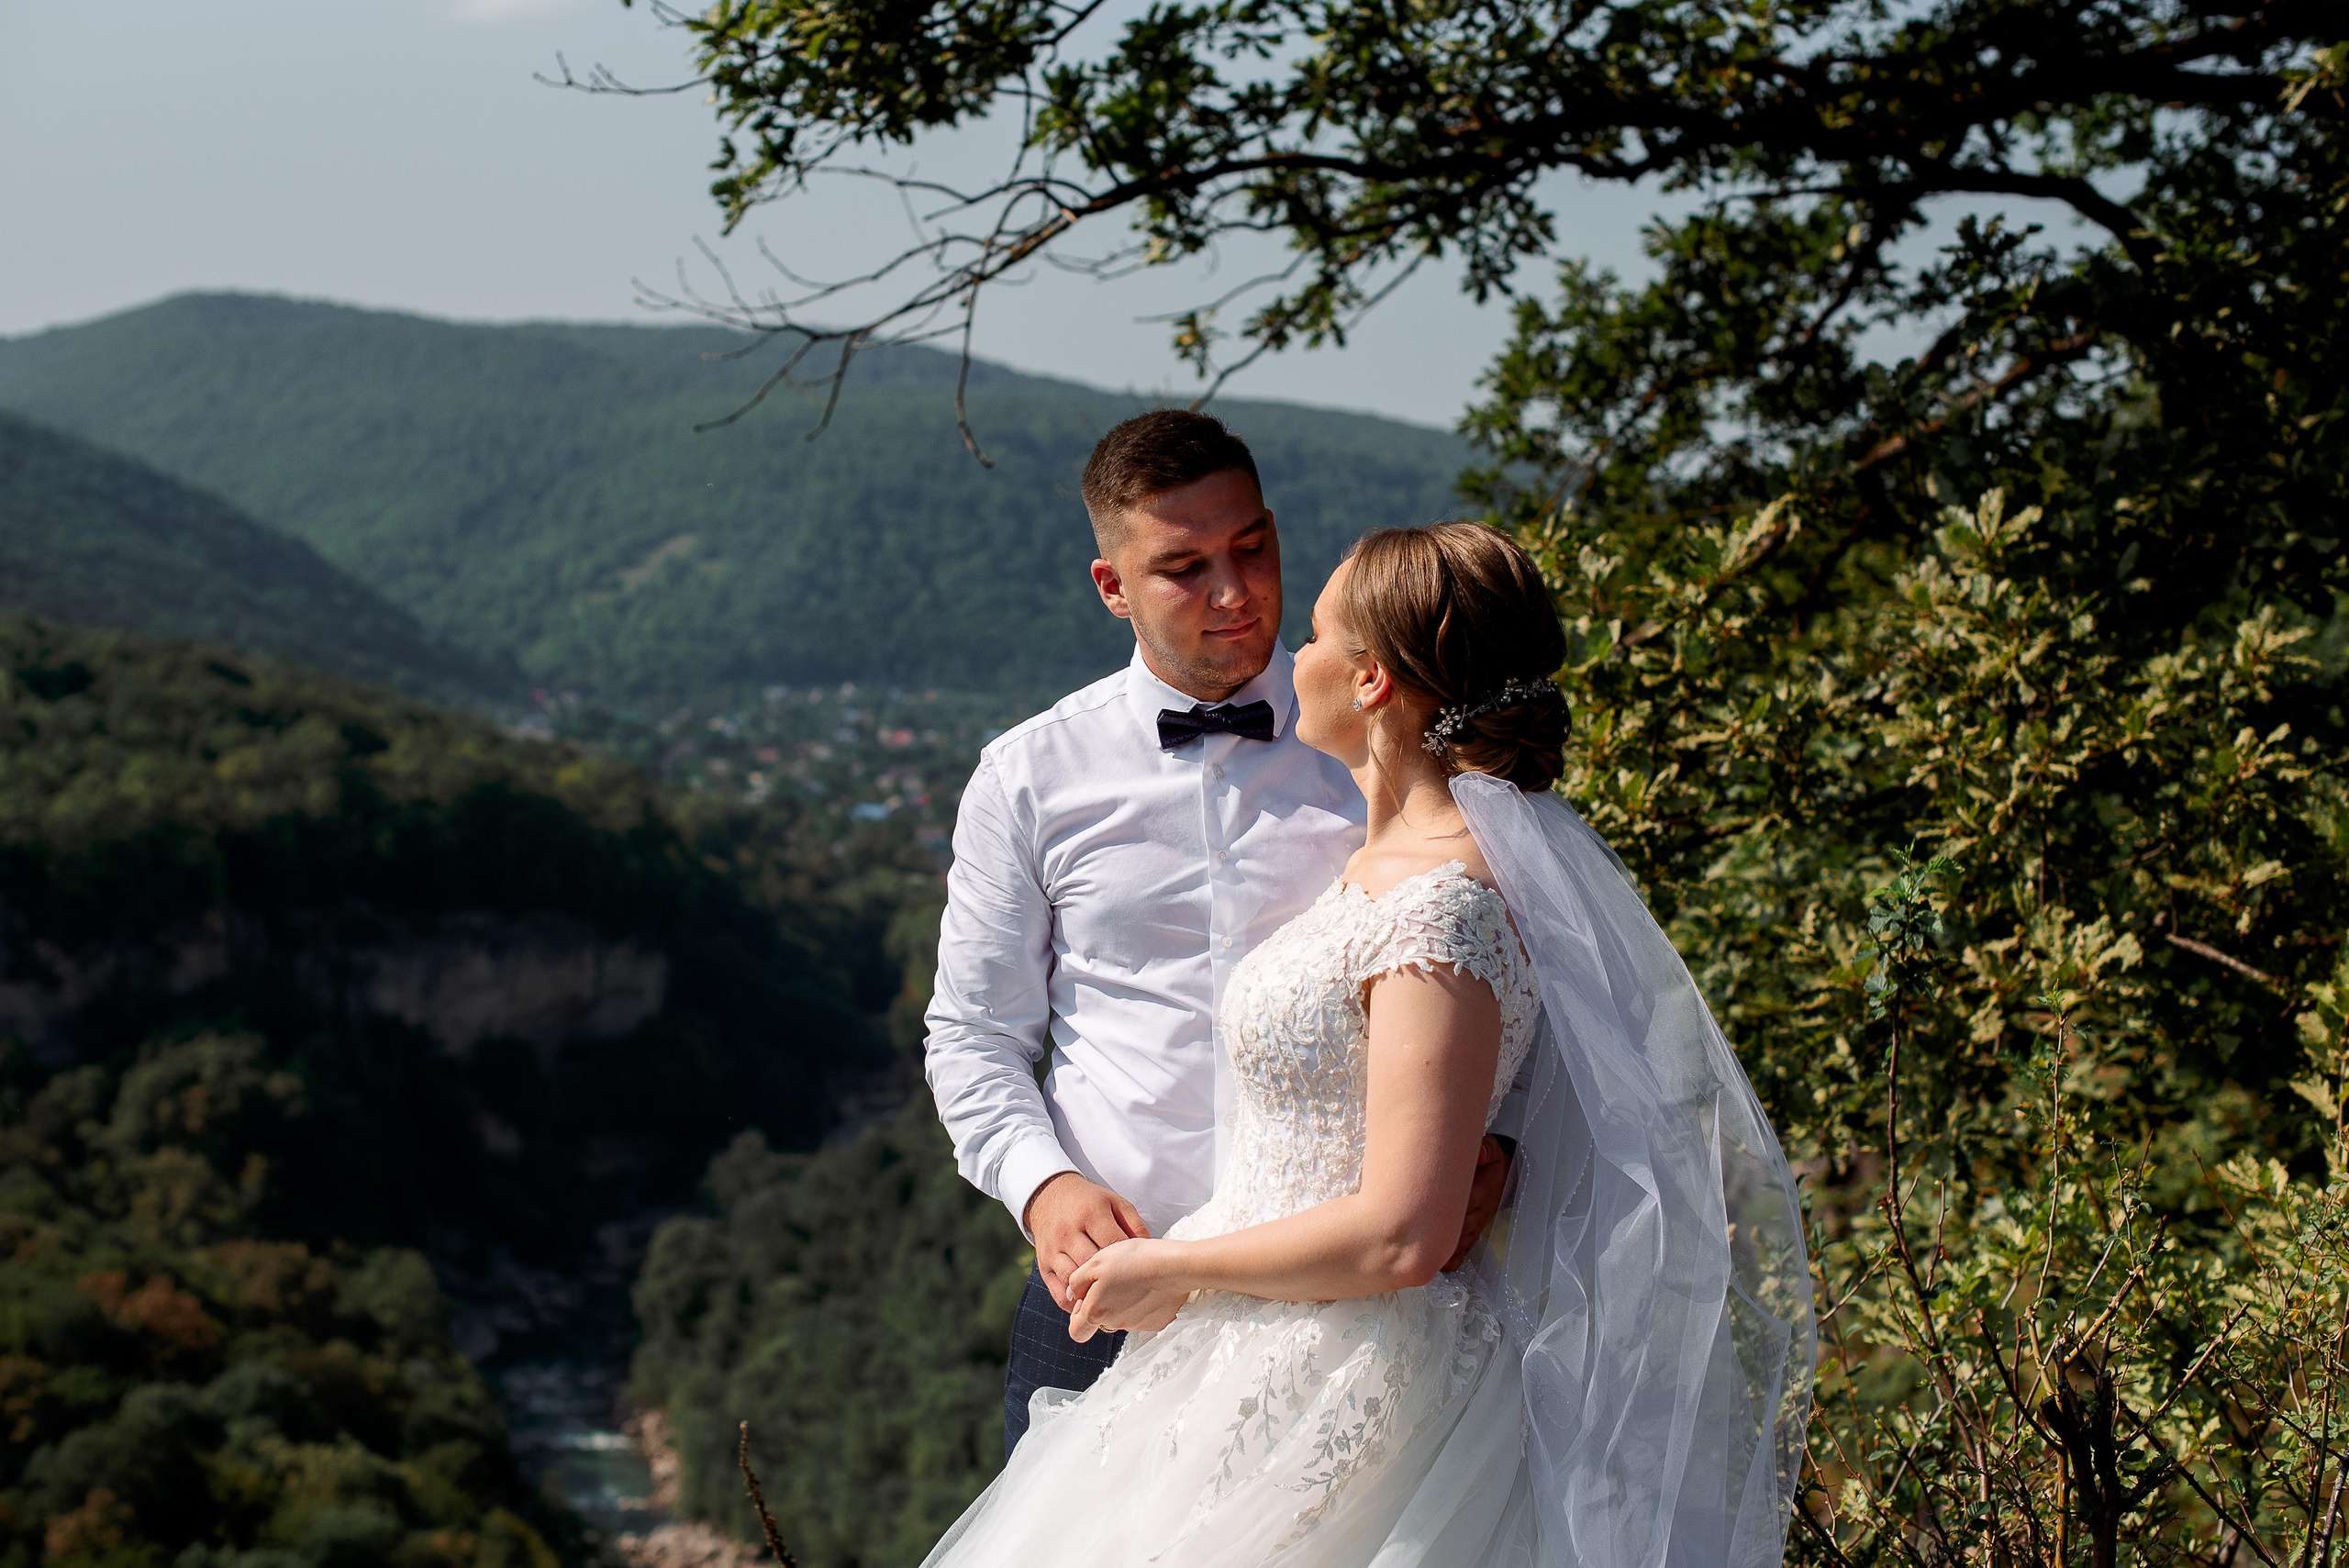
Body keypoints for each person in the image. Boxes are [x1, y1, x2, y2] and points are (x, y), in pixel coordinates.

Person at [922, 516, 1817, 1567]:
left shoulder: (1445, 906)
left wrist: (1176, 1265)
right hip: (1242, 1350)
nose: (1286, 653)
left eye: (1312, 635)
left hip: (1350, 1369)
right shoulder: (1388, 861)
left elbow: (1400, 1233)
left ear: (1373, 682)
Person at [924, 411, 1517, 1456]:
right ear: (1113, 587)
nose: (1234, 591)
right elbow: (973, 1035)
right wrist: (1042, 1184)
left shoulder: (1386, 739)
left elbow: (1509, 967)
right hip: (1109, 1295)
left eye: (1251, 547)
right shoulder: (1025, 776)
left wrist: (1497, 1146)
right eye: (1185, 567)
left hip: (1353, 1308)